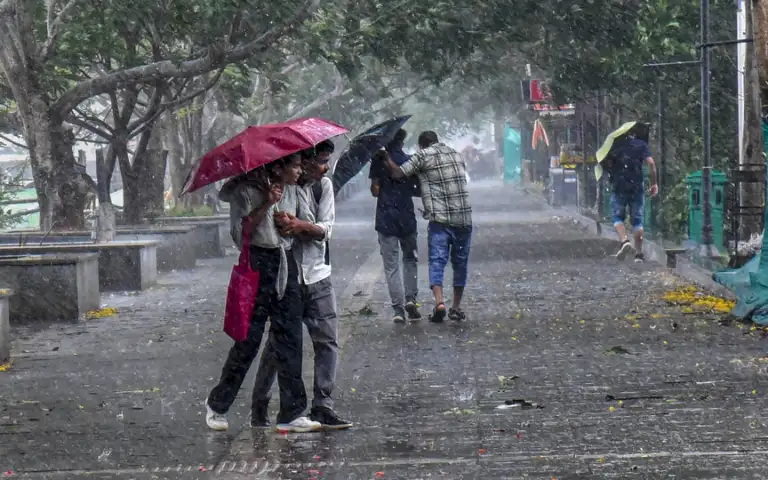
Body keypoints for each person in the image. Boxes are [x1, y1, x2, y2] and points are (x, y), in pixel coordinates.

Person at [205, 153, 322, 434]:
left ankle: (292, 412)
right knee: (248, 341)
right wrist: (267, 203)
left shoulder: (294, 190)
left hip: (285, 262)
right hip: (257, 265)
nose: (299, 170)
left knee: (290, 338)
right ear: (277, 167)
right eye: (294, 166)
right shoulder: (244, 191)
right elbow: (240, 235)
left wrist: (291, 224)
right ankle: (217, 404)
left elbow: (307, 225)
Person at [250, 140, 353, 430]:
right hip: (288, 277)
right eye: (320, 160)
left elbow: (325, 229)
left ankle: (323, 405)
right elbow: (272, 231)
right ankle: (260, 402)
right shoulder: (282, 187)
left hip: (318, 274)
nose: (325, 167)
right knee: (278, 343)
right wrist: (288, 224)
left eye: (327, 161)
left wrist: (302, 227)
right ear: (303, 161)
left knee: (327, 341)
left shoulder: (324, 187)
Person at [386, 131, 472, 323]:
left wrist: (385, 157)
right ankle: (456, 307)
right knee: (460, 263)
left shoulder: (423, 156)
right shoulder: (455, 154)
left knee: (437, 261)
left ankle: (440, 303)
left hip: (440, 221)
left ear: (421, 145)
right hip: (464, 218)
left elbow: (398, 173)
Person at [369, 129, 422, 323]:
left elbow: (375, 191)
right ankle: (411, 299)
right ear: (402, 141)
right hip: (406, 216)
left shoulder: (377, 161)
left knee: (391, 266)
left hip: (385, 218)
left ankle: (398, 310)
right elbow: (416, 187)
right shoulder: (410, 160)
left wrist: (381, 181)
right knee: (410, 260)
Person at [606, 133, 658, 263]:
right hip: (636, 186)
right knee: (637, 221)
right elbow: (651, 163)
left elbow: (606, 165)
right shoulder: (641, 144)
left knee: (617, 217)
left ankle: (624, 241)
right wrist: (654, 183)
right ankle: (639, 254)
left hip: (619, 186)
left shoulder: (614, 145)